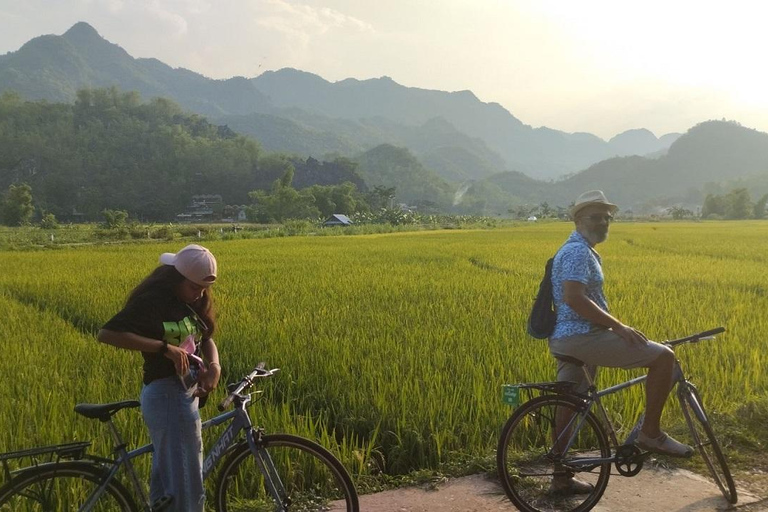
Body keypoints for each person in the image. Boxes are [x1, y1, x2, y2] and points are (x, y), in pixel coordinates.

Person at [548, 190, 692, 493]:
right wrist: (619, 327)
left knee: (570, 405)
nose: (603, 222)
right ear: (578, 220)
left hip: (565, 339)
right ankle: (650, 433)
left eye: (606, 217)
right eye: (595, 217)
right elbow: (574, 297)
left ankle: (560, 478)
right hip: (583, 337)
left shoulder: (577, 248)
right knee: (663, 357)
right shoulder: (577, 251)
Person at [97, 244, 221, 511]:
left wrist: (215, 366)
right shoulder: (153, 301)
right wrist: (164, 348)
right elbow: (107, 334)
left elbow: (206, 337)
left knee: (171, 483)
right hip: (166, 395)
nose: (199, 294)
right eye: (194, 287)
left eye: (203, 288)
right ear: (176, 278)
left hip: (184, 395)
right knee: (186, 483)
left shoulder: (191, 301)